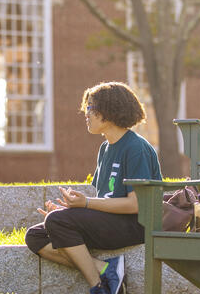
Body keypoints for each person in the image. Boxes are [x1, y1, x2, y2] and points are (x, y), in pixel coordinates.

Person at [24, 82, 162, 294]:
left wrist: (84, 204)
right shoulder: (105, 148)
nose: (85, 114)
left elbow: (137, 204)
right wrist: (72, 211)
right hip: (113, 221)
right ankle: (106, 269)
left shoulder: (136, 148)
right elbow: (105, 200)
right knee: (35, 236)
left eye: (90, 108)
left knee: (58, 222)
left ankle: (98, 287)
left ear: (109, 110)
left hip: (137, 224)